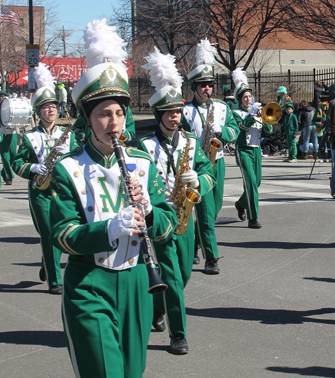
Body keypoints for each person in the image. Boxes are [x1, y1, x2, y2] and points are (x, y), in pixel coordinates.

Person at [49, 19, 178, 377]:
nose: (114, 123)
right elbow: (62, 234)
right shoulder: (68, 169)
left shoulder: (141, 163)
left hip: (138, 280)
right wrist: (108, 229)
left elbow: (167, 227)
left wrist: (151, 211)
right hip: (90, 282)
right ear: (88, 120)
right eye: (104, 114)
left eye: (120, 112)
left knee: (131, 372)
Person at [138, 47, 215, 354]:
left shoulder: (191, 141)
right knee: (170, 272)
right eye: (169, 113)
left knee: (182, 275)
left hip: (186, 212)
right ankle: (178, 334)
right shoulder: (144, 146)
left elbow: (208, 172)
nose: (175, 116)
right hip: (160, 214)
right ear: (159, 115)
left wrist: (199, 181)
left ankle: (159, 306)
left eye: (178, 111)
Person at [12, 63, 78, 294]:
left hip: (62, 190)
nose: (50, 111)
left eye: (53, 107)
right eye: (45, 108)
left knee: (60, 232)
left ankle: (46, 261)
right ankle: (54, 281)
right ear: (38, 112)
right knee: (48, 232)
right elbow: (16, 164)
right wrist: (33, 167)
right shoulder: (30, 137)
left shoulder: (66, 135)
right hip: (40, 191)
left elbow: (80, 159)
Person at [181, 38, 239, 273]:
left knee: (212, 212)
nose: (207, 89)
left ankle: (196, 244)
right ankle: (211, 258)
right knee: (204, 212)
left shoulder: (223, 108)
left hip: (220, 163)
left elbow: (234, 132)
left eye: (210, 85)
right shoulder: (186, 111)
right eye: (203, 85)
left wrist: (221, 131)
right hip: (199, 165)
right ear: (194, 87)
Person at [231, 68, 273, 229]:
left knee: (257, 182)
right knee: (250, 183)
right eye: (245, 97)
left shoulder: (257, 111)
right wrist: (252, 115)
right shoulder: (236, 113)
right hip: (243, 150)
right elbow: (241, 127)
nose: (248, 99)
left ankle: (240, 204)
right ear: (240, 100)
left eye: (249, 96)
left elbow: (267, 132)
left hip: (256, 150)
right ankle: (253, 217)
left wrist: (266, 119)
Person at [0, 90, 17, 187]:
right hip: (2, 134)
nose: (2, 98)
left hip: (12, 133)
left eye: (3, 96)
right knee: (5, 157)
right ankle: (10, 177)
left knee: (14, 156)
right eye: (0, 96)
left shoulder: (11, 107)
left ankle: (3, 171)